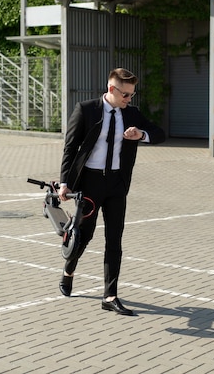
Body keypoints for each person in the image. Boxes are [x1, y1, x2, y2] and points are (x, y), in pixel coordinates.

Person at [58, 67, 166, 316]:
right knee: (83, 236)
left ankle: (110, 296)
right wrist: (65, 183)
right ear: (111, 89)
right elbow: (70, 148)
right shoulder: (86, 109)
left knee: (114, 240)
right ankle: (69, 271)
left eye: (132, 95)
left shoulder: (132, 114)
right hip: (90, 183)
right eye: (126, 95)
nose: (129, 100)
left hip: (117, 184)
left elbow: (159, 133)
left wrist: (142, 135)